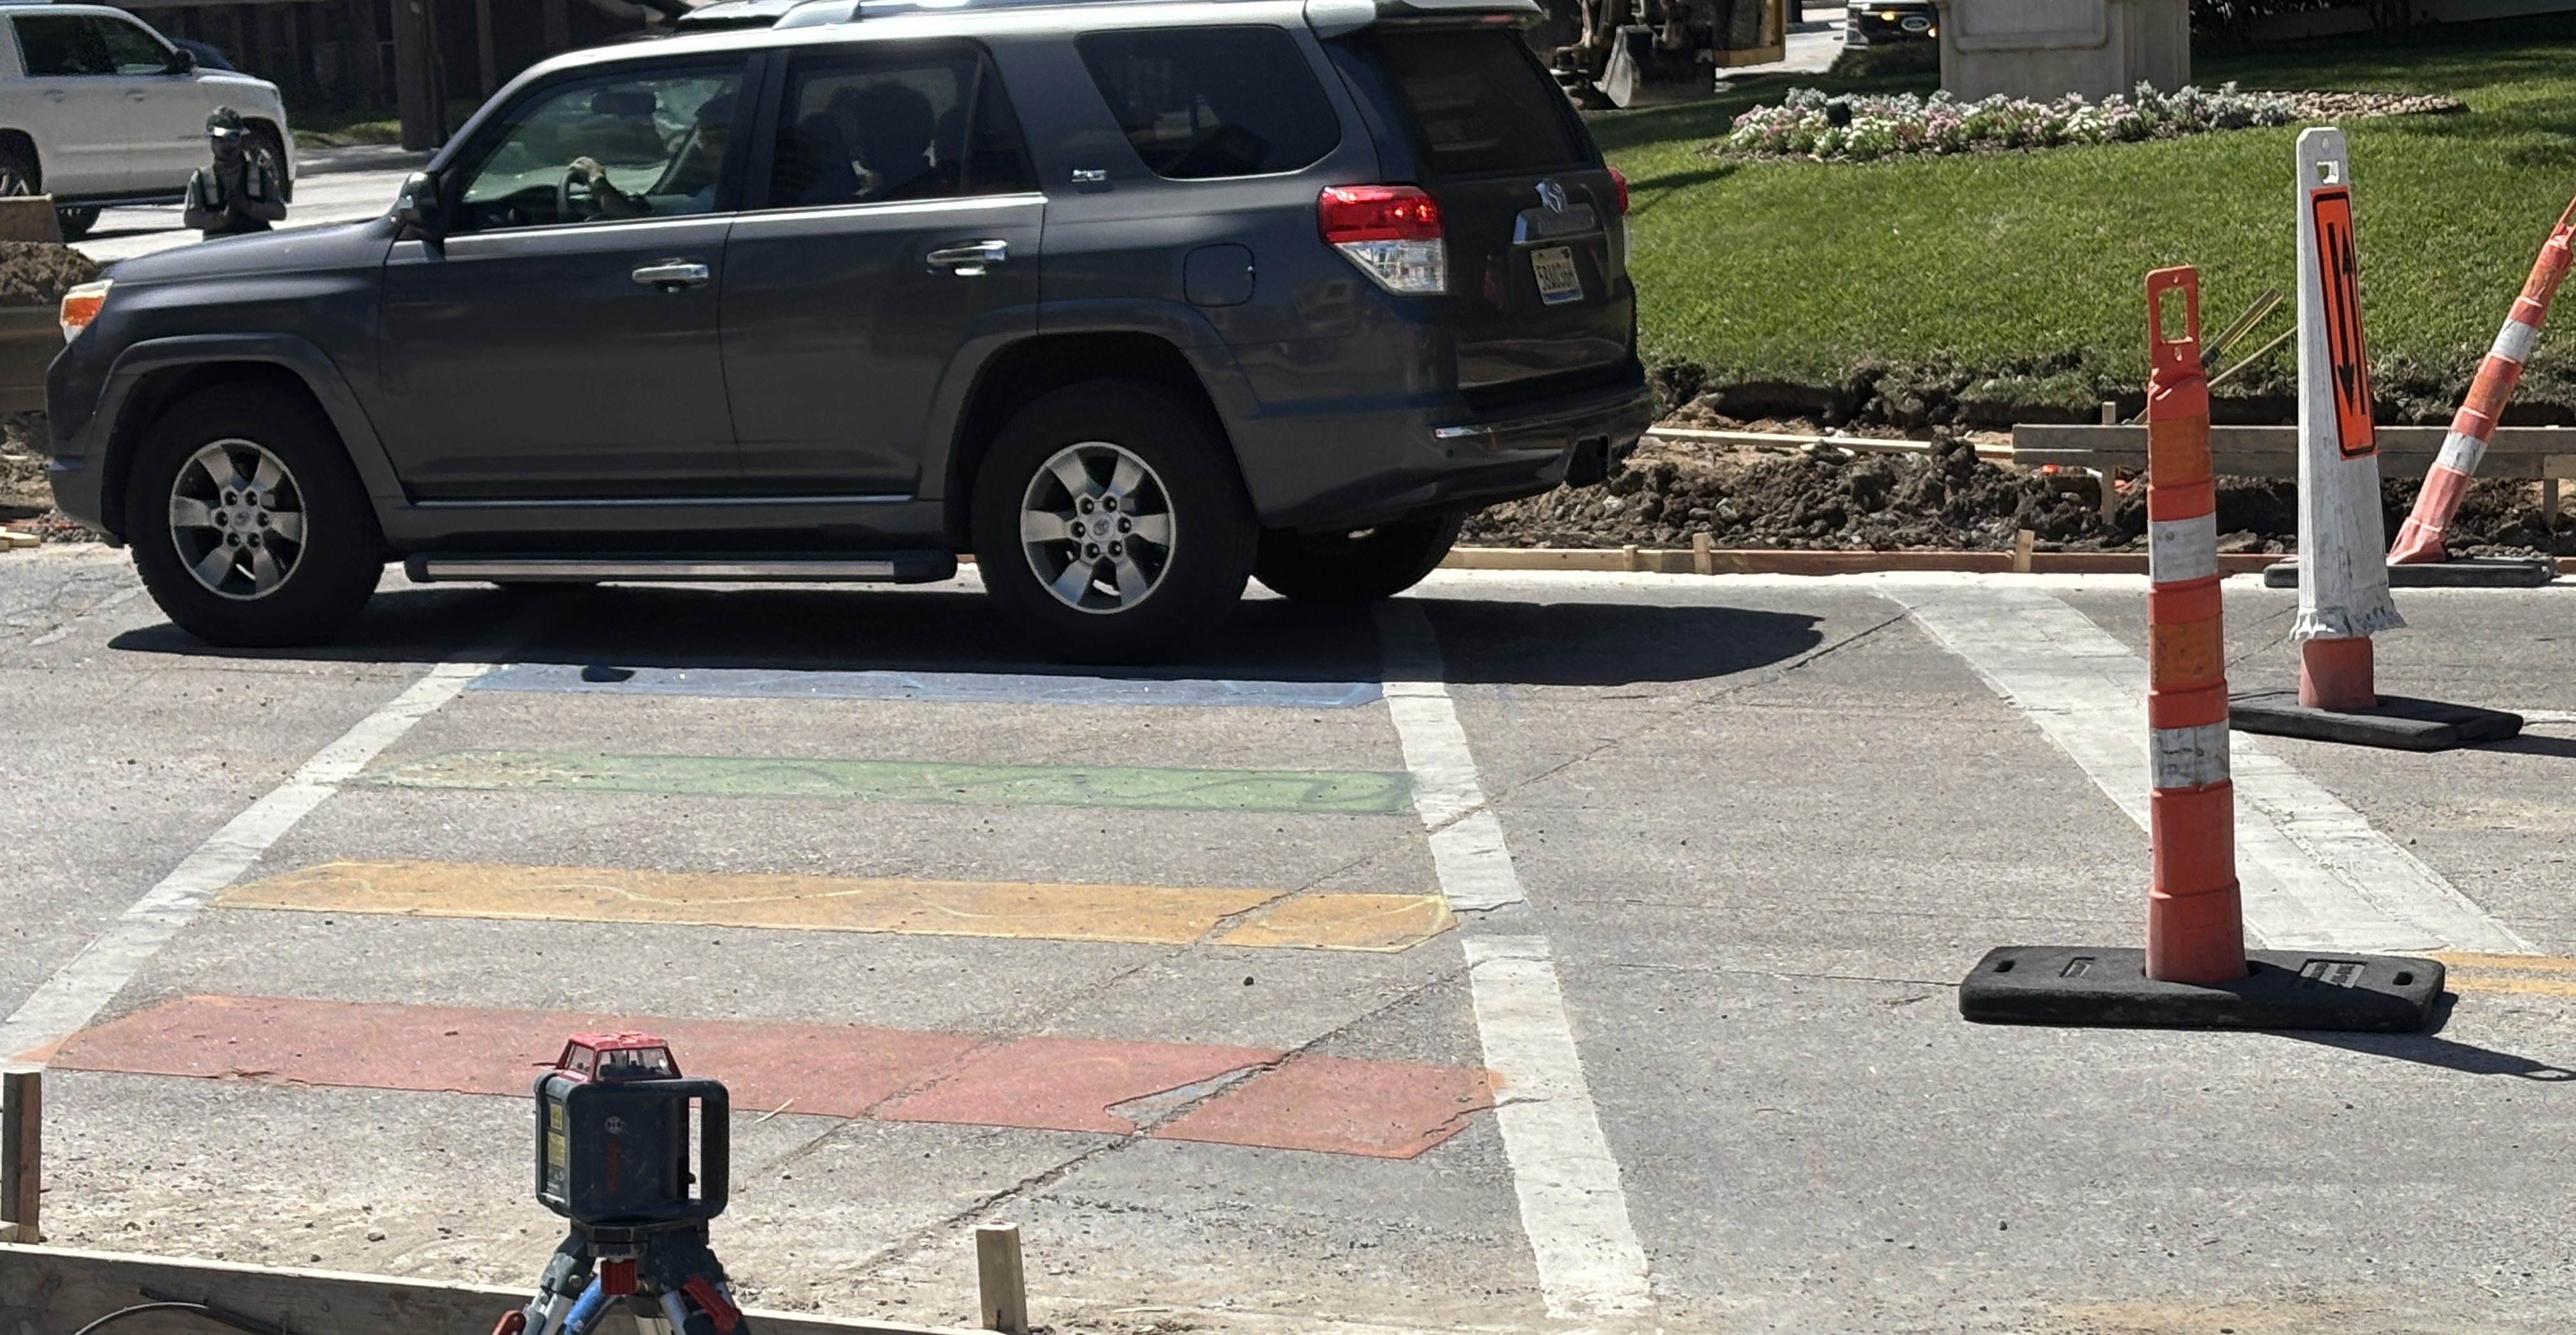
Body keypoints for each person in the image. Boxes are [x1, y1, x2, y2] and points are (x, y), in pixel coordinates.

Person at [569, 91, 733, 220]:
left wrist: (598, 183)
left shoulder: (726, 199)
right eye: (704, 141)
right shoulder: (717, 193)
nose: (710, 151)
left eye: (720, 139)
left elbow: (645, 234)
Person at [181, 107, 286, 238]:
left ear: (241, 140)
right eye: (221, 138)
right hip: (218, 245)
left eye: (233, 136)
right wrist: (223, 218)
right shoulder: (202, 179)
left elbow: (280, 212)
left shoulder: (258, 173)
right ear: (212, 143)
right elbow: (190, 219)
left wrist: (248, 207)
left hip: (255, 242)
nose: (227, 144)